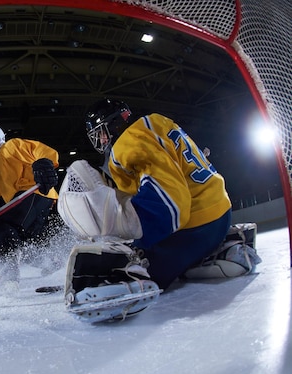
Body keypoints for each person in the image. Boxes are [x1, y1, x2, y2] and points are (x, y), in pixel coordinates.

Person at [58, 98, 232, 296]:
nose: (102, 141)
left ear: (113, 125)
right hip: (221, 215)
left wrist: (123, 226)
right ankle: (219, 252)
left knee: (118, 271)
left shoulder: (128, 143)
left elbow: (171, 207)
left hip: (196, 229)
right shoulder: (157, 122)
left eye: (100, 134)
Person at [0, 124, 60, 278]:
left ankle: (8, 272)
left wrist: (42, 162)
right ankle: (52, 262)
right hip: (28, 201)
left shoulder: (11, 146)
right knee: (22, 244)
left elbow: (40, 150)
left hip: (34, 191)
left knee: (5, 227)